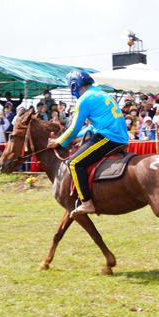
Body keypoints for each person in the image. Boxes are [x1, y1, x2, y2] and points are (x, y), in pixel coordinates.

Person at [48, 70, 129, 217]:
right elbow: (90, 127)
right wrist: (70, 137)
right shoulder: (100, 93)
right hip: (119, 136)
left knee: (73, 163)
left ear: (74, 85)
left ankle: (87, 202)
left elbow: (74, 128)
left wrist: (59, 142)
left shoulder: (85, 99)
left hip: (108, 137)